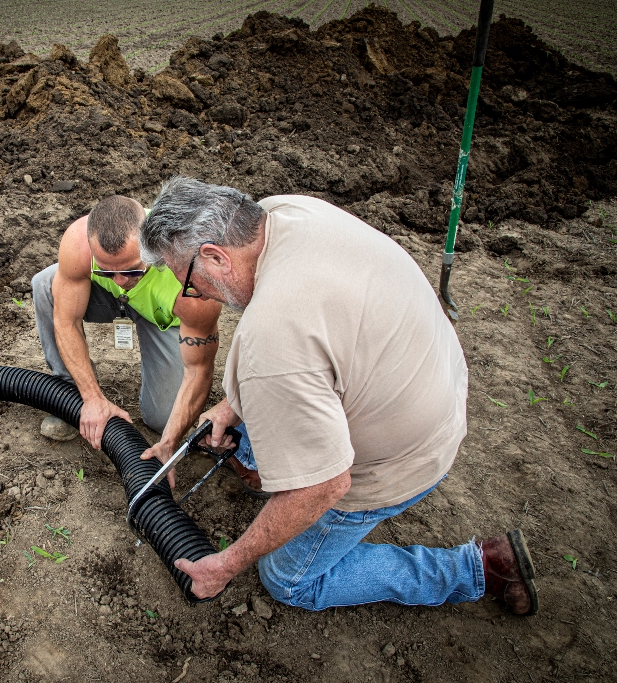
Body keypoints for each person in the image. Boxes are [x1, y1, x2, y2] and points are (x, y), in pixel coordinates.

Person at [138, 176, 538, 616]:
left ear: (215, 256)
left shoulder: (271, 339)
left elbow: (325, 486)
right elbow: (319, 345)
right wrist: (233, 404)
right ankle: (260, 463)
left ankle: (478, 569)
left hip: (404, 457)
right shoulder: (285, 211)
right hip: (432, 380)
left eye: (190, 281)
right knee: (268, 393)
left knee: (287, 580)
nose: (194, 294)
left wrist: (226, 564)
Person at [31, 195, 227, 482]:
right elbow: (66, 321)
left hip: (164, 316)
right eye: (107, 271)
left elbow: (199, 369)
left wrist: (169, 442)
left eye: (132, 269)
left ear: (152, 247)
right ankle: (70, 395)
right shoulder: (78, 242)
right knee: (45, 285)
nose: (120, 280)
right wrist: (91, 398)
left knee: (163, 418)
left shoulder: (193, 282)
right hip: (113, 302)